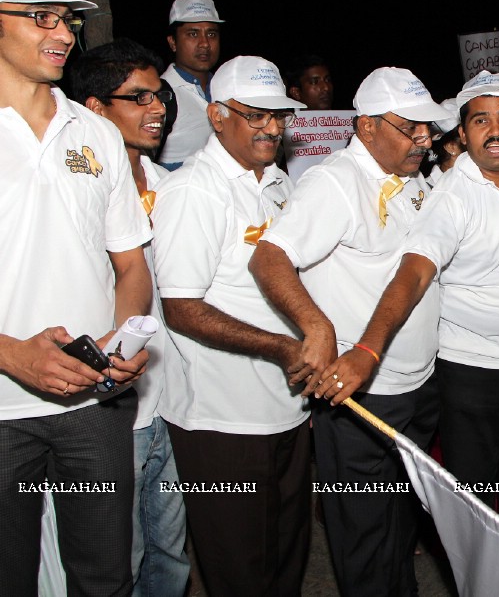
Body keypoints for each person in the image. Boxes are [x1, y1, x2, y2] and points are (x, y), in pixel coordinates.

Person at [308, 70, 499, 547]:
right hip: (468, 370)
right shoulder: (450, 194)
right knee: (473, 500)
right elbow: (415, 272)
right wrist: (367, 348)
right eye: (480, 121)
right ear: (462, 135)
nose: (496, 130)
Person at [249, 66, 450, 596]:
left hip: (417, 385)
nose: (425, 139)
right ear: (366, 127)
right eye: (411, 128)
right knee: (362, 533)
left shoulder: (414, 181)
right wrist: (317, 328)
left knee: (401, 523)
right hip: (364, 396)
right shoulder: (335, 183)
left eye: (427, 128)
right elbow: (269, 259)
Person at [0, 0, 152, 595]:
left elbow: (131, 264)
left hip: (95, 401)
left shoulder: (97, 133)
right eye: (40, 18)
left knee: (105, 578)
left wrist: (126, 340)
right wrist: (11, 355)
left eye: (65, 19)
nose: (61, 33)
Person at [152, 55, 309, 596]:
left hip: (287, 407)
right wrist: (281, 348)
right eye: (255, 115)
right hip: (223, 421)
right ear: (217, 116)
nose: (272, 127)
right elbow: (181, 308)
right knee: (239, 571)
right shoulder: (195, 191)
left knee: (287, 559)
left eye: (279, 115)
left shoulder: (281, 183)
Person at [71, 38, 190, 597]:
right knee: (116, 559)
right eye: (138, 97)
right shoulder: (73, 192)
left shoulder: (173, 189)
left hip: (170, 398)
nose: (158, 108)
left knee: (169, 553)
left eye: (160, 95)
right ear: (96, 108)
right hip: (105, 405)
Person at [158, 0, 223, 169]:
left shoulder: (227, 89)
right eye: (193, 34)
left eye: (211, 34)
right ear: (173, 43)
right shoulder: (160, 94)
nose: (205, 44)